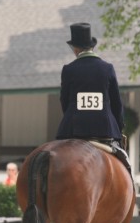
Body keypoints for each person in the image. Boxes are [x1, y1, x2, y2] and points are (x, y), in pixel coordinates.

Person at [56, 22, 131, 173]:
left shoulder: (69, 70)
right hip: (104, 130)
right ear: (92, 46)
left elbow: (64, 102)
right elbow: (116, 103)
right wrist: (119, 126)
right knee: (125, 164)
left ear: (75, 48)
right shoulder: (107, 68)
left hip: (73, 130)